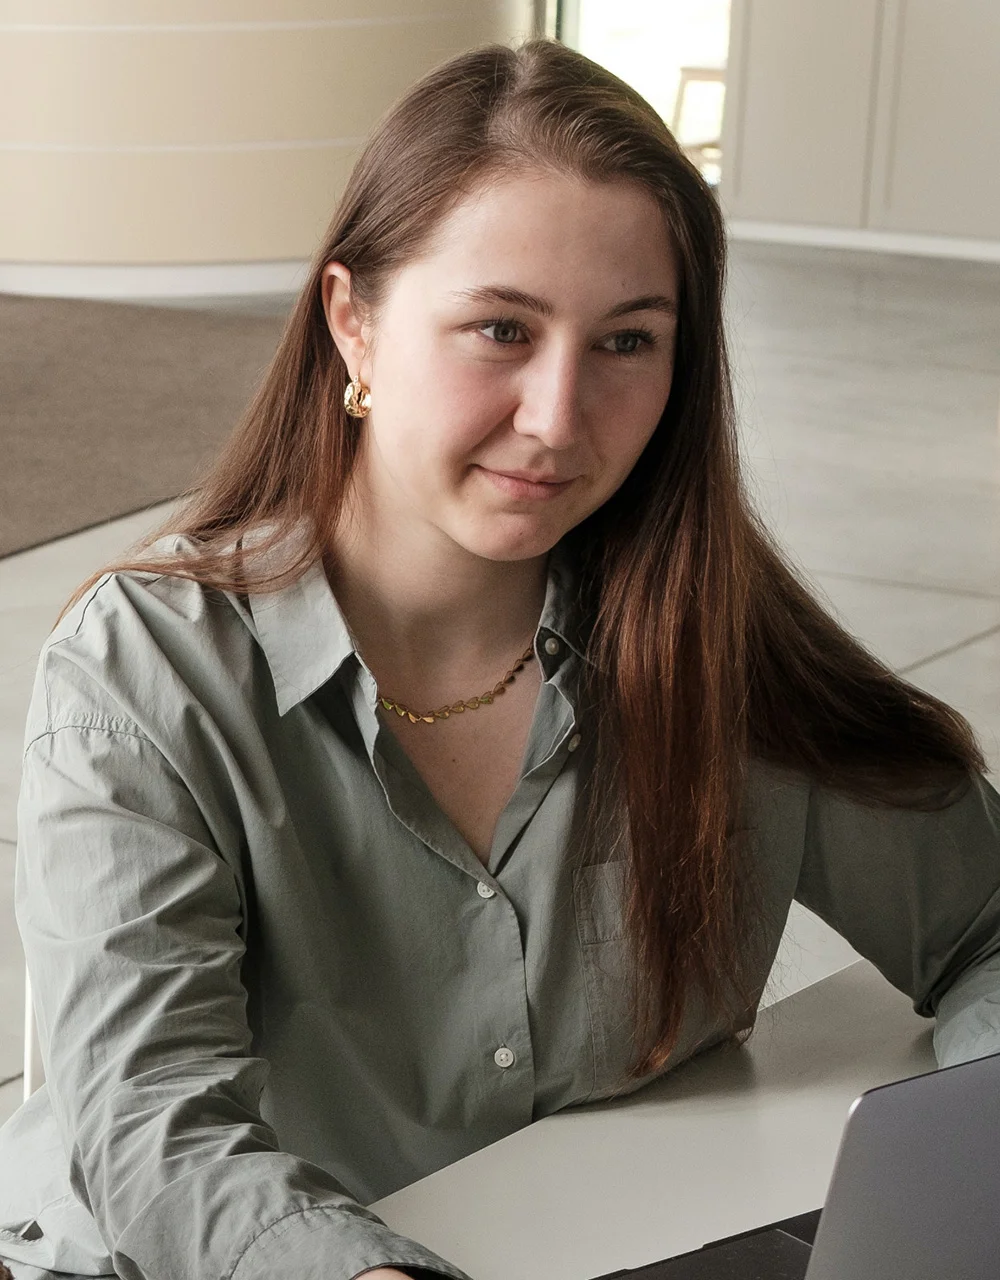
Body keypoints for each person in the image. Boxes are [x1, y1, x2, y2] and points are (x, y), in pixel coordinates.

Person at [1, 35, 999, 1280]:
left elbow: (984, 918)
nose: (556, 417)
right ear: (354, 324)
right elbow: (157, 1126)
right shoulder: (144, 674)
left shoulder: (718, 639)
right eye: (499, 328)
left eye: (627, 341)